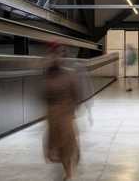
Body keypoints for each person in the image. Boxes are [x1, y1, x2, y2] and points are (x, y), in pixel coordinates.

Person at [43, 43, 80, 181]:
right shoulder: (47, 75)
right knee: (55, 146)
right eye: (52, 55)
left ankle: (69, 172)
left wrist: (71, 113)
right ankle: (68, 168)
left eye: (58, 55)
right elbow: (44, 96)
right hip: (52, 115)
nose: (54, 58)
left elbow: (76, 95)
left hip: (65, 114)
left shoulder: (69, 74)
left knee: (66, 145)